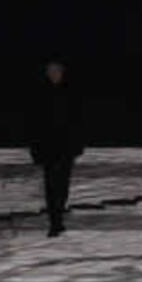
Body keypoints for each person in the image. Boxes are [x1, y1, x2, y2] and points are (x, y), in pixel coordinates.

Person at [28, 60, 83, 238]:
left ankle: (58, 214)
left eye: (56, 71)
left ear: (62, 72)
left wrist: (77, 144)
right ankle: (55, 222)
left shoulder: (70, 93)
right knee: (51, 185)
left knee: (63, 184)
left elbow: (77, 120)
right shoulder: (40, 94)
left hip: (66, 146)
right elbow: (33, 123)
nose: (54, 74)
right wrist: (35, 149)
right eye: (51, 71)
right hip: (48, 146)